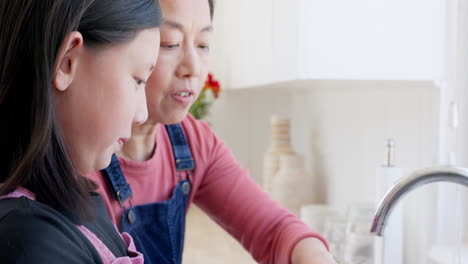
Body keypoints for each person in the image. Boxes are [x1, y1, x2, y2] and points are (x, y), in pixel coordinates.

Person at [87, 0, 336, 263]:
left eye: (203, 44)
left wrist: (315, 255)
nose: (192, 68)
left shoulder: (193, 143)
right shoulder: (81, 153)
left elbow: (273, 230)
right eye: (170, 43)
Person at [0, 0, 162, 263]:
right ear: (67, 62)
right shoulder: (30, 243)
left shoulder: (75, 200)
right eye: (138, 80)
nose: (142, 114)